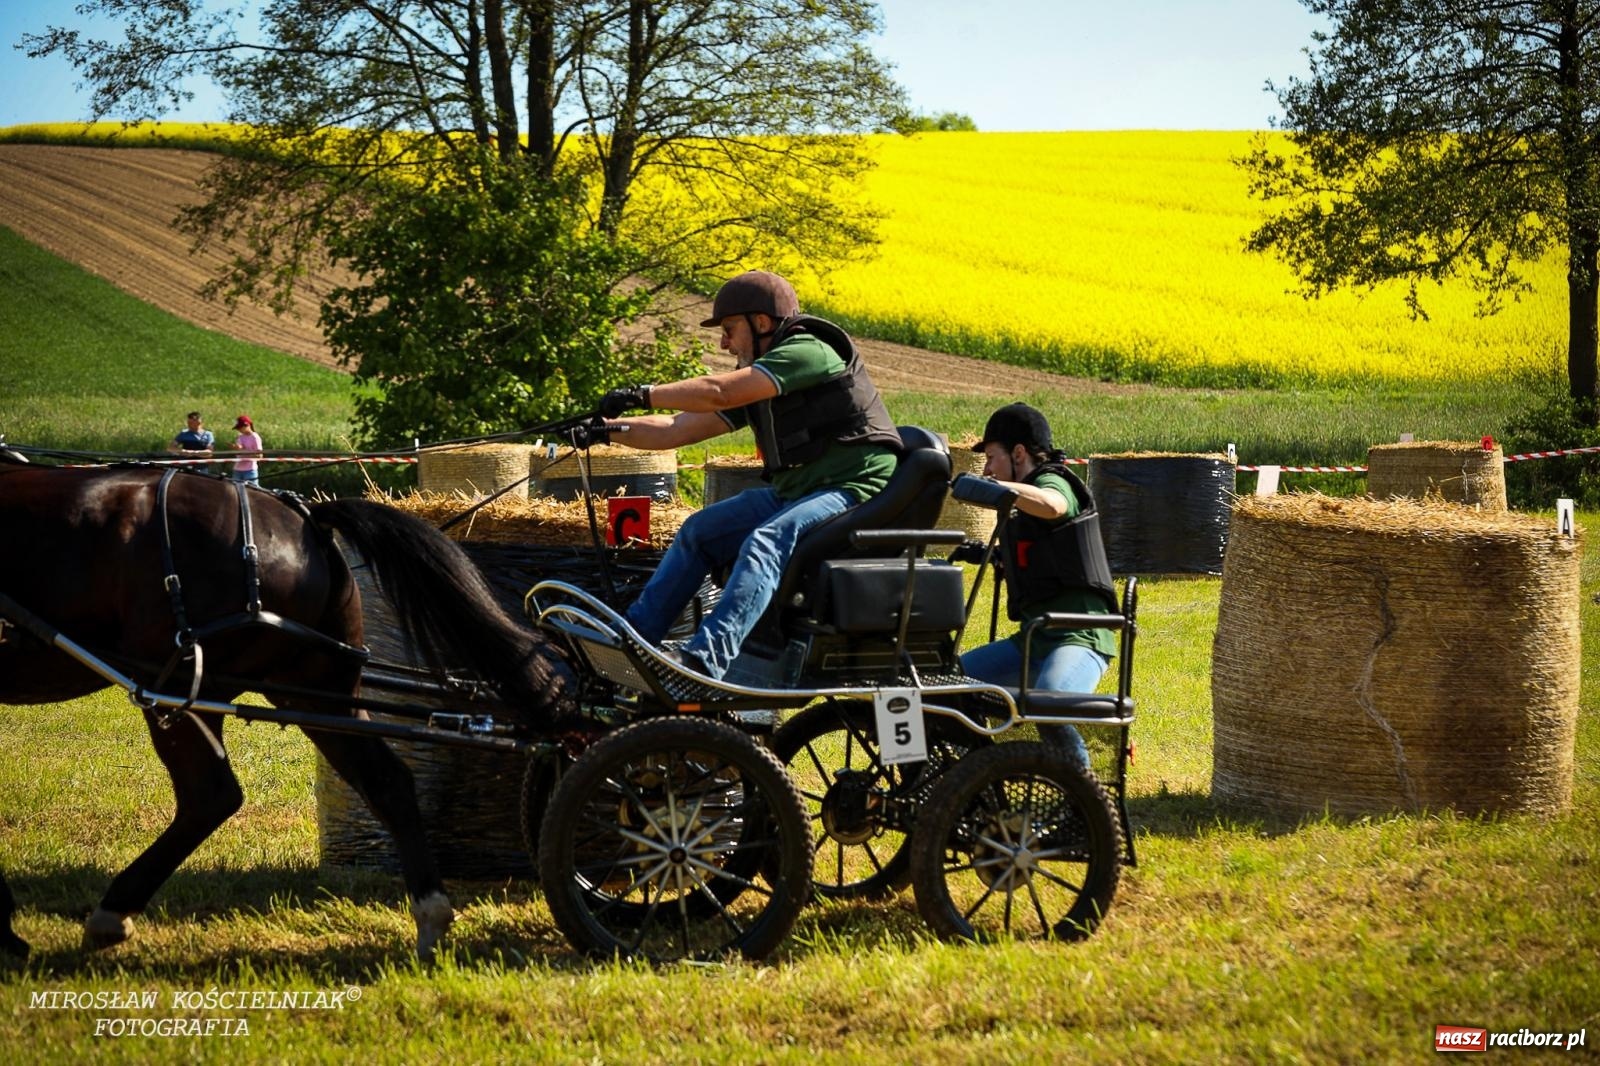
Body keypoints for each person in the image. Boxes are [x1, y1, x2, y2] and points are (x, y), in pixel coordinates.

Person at [589, 270, 902, 680]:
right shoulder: (762, 379)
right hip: (798, 491)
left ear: (762, 323)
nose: (723, 343)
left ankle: (704, 660)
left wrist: (640, 393)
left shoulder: (809, 350)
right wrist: (604, 431)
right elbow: (675, 429)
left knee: (765, 541)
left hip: (853, 486)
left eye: (729, 329)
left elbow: (719, 391)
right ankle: (632, 641)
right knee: (701, 531)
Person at [959, 402, 1118, 767]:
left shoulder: (1052, 481)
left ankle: (1080, 791)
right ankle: (975, 778)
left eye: (991, 458)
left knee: (1049, 703)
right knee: (950, 686)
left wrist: (995, 488)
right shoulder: (1023, 506)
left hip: (1080, 636)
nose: (987, 470)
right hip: (1034, 639)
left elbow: (1054, 505)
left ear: (1018, 454)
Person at [230, 414, 263, 487]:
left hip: (250, 470)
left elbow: (259, 455)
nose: (239, 430)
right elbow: (239, 449)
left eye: (240, 428)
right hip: (237, 469)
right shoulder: (240, 437)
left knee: (252, 490)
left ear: (247, 425)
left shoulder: (255, 437)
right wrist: (236, 448)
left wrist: (243, 451)